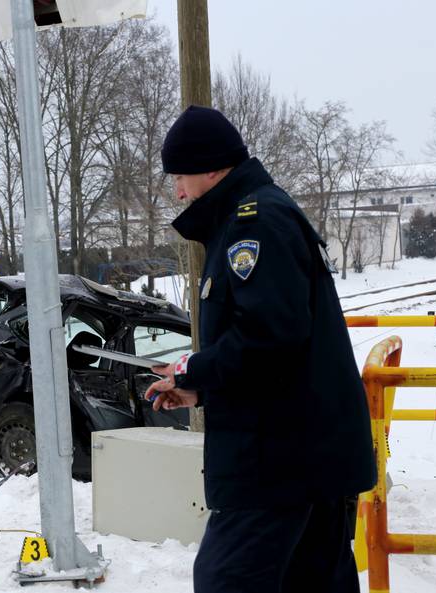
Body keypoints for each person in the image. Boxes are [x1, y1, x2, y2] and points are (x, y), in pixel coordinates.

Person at [144, 105, 377, 593]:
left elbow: (270, 338)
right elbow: (277, 355)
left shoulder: (254, 223)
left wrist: (195, 371)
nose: (178, 192)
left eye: (180, 176)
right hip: (303, 452)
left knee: (226, 580)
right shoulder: (251, 216)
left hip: (279, 460)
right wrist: (199, 389)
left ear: (211, 167)